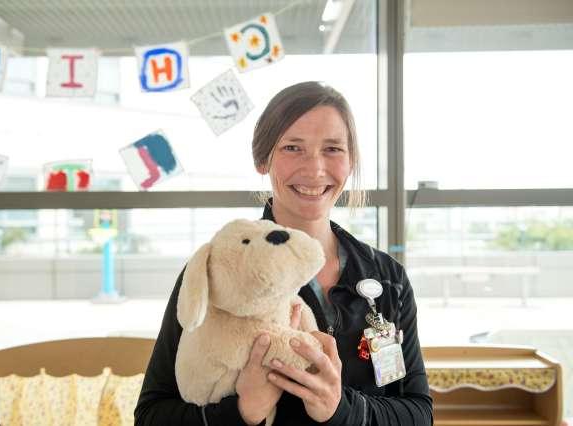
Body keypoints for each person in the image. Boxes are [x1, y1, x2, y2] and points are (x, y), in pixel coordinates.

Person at [134, 81, 433, 425]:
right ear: (263, 159)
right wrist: (243, 411)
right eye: (293, 147)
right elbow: (151, 415)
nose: (315, 168)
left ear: (351, 161)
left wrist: (341, 409)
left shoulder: (387, 277)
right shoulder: (219, 268)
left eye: (333, 149)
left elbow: (418, 413)